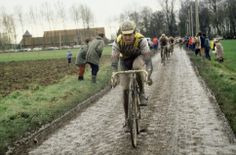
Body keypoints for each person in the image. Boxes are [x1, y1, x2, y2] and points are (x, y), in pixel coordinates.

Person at [111, 20, 153, 131]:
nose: (127, 37)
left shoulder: (141, 40)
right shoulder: (117, 42)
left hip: (138, 58)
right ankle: (127, 119)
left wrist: (148, 72)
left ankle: (142, 93)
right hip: (124, 61)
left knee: (137, 68)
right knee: (124, 89)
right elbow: (114, 60)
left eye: (130, 34)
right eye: (125, 35)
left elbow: (148, 60)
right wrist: (114, 73)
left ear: (134, 33)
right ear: (121, 34)